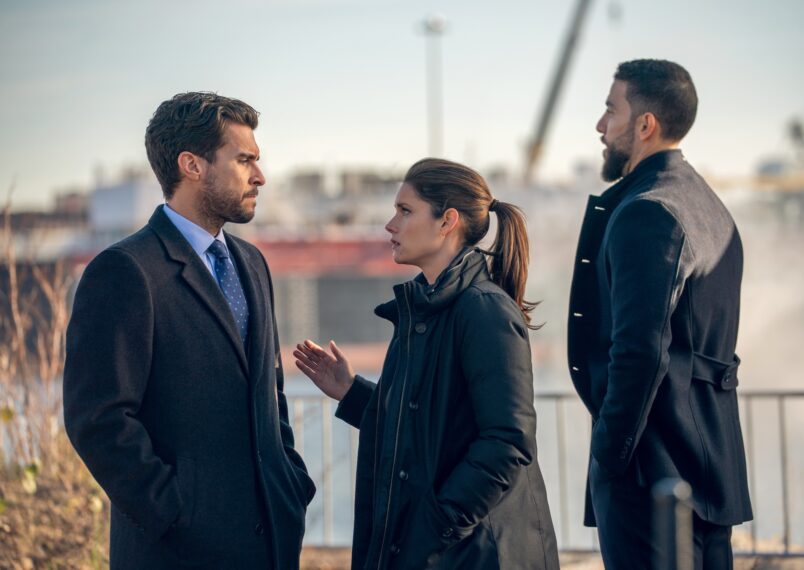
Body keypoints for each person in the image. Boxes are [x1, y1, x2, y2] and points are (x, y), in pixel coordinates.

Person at [63, 92, 314, 569]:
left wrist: (291, 485)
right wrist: (175, 514)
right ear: (192, 165)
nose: (259, 176)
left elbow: (268, 391)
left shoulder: (252, 263)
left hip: (271, 547)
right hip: (177, 553)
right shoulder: (124, 271)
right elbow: (98, 420)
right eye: (244, 161)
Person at [294, 158, 559, 570]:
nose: (390, 225)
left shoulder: (484, 312)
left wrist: (438, 525)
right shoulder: (420, 311)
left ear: (446, 221)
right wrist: (352, 392)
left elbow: (508, 442)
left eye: (405, 211)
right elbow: (426, 426)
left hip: (476, 555)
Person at [567, 59, 752, 568]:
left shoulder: (649, 210)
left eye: (611, 109)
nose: (601, 126)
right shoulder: (710, 206)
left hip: (653, 472)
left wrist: (610, 453)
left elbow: (639, 349)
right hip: (712, 466)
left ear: (645, 124)